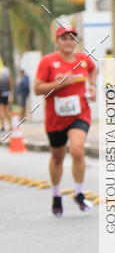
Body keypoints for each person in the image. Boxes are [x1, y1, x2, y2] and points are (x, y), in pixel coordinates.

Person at [34, 26, 97, 215]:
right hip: (55, 118)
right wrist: (59, 84)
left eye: (72, 38)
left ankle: (78, 193)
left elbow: (94, 70)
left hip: (80, 114)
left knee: (77, 150)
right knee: (57, 158)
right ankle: (56, 194)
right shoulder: (47, 61)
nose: (69, 42)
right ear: (57, 41)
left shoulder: (84, 60)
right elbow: (37, 89)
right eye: (64, 38)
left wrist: (92, 87)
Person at [0, 61, 11, 132]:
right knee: (3, 110)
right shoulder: (5, 70)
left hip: (3, 93)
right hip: (4, 93)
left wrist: (10, 93)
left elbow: (9, 82)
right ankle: (5, 126)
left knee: (4, 110)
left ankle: (6, 125)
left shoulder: (4, 70)